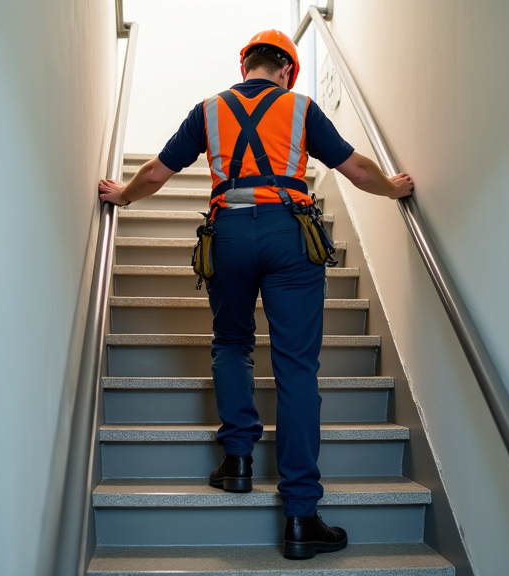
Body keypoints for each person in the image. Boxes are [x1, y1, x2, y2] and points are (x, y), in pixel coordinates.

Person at [97, 29, 413, 560]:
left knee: (231, 343)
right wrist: (394, 187)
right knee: (295, 368)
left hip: (228, 234)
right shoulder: (300, 107)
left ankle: (238, 462)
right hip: (291, 233)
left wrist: (122, 196)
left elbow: (155, 171)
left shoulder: (208, 109)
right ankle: (300, 517)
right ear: (287, 70)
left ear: (245, 66)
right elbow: (356, 169)